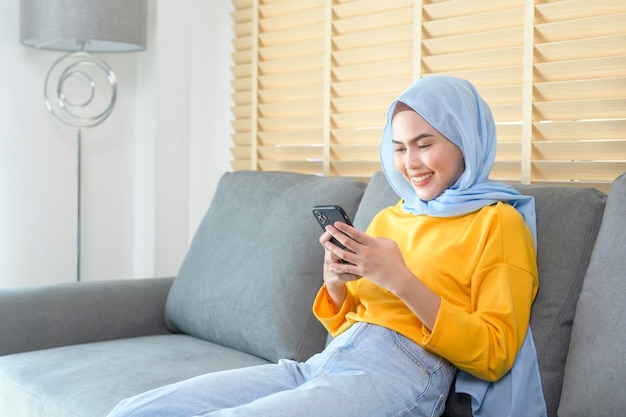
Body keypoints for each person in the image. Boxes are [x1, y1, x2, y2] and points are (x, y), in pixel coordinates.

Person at [107, 76, 547, 417]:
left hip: (403, 373)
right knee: (136, 411)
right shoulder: (392, 217)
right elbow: (347, 322)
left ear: (465, 140)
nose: (410, 162)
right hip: (326, 361)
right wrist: (335, 281)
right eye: (398, 148)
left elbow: (494, 354)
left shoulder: (498, 222)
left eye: (424, 144)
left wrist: (399, 278)